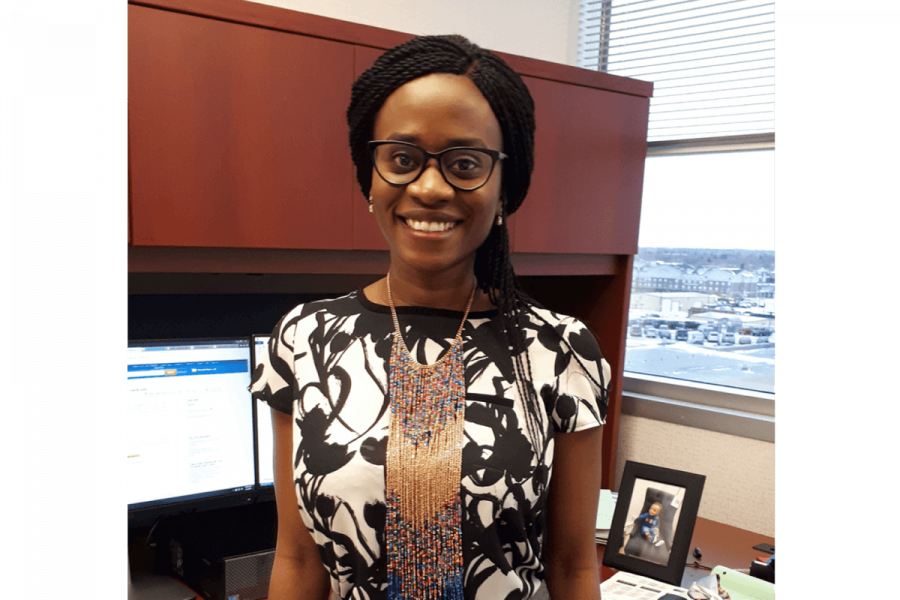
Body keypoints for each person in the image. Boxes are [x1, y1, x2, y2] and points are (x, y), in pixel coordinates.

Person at [251, 34, 611, 600]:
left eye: (465, 164)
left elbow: (573, 568)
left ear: (504, 189)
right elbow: (298, 560)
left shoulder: (562, 350)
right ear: (369, 176)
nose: (429, 187)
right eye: (403, 159)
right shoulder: (304, 339)